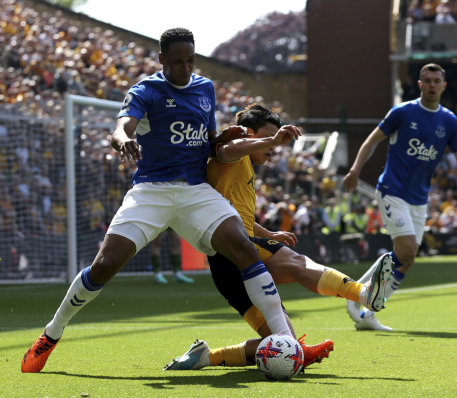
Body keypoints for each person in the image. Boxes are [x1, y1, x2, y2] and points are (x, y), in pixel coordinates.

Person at [21, 28, 296, 373]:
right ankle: (52, 333)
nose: (185, 67)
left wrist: (222, 136)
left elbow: (209, 141)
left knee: (242, 246)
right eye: (178, 61)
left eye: (191, 60)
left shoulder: (205, 88)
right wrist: (123, 140)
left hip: (196, 190)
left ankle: (287, 342)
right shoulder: (146, 90)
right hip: (152, 189)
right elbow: (121, 128)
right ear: (162, 59)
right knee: (106, 264)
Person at [163, 104, 392, 371]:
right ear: (249, 135)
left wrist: (266, 232)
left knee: (285, 346)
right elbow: (229, 150)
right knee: (296, 263)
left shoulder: (246, 163)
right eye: (268, 138)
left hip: (239, 250)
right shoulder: (231, 154)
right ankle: (361, 294)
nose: (273, 146)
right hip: (230, 253)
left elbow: (239, 215)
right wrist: (268, 139)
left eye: (275, 139)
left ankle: (207, 356)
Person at [343, 63, 457, 331]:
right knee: (405, 251)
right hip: (392, 190)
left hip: (419, 198)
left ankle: (368, 314)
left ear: (444, 85)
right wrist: (355, 170)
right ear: (419, 84)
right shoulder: (403, 112)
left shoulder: (450, 120)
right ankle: (356, 292)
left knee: (408, 258)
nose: (431, 85)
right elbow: (372, 140)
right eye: (427, 80)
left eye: (436, 81)